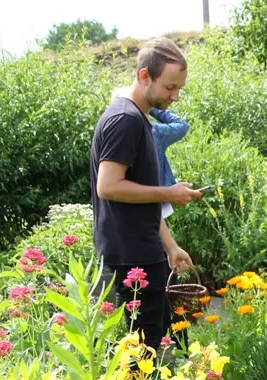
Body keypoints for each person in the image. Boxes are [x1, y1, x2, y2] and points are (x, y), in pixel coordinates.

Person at [91, 37, 201, 352]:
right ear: (144, 76)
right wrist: (169, 191)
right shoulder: (125, 119)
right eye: (169, 87)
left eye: (179, 87)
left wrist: (170, 246)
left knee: (160, 339)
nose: (175, 96)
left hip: (146, 249)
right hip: (132, 254)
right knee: (145, 350)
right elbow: (108, 186)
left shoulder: (137, 118)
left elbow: (142, 196)